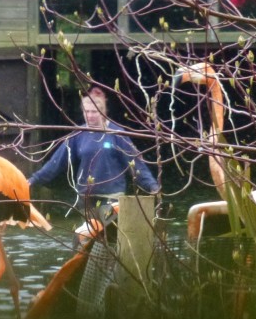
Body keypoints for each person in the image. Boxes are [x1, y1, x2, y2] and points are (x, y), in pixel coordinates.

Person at [28, 86, 160, 221]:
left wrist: (152, 186)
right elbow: (56, 163)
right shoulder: (78, 134)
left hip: (112, 198)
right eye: (87, 112)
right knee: (84, 240)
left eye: (94, 112)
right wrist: (33, 180)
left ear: (103, 112)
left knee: (109, 238)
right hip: (86, 199)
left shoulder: (118, 134)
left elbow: (135, 164)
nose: (90, 116)